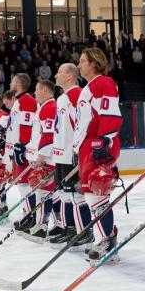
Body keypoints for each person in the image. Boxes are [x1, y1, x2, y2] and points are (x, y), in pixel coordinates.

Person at [73, 47, 123, 265]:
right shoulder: (89, 87)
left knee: (97, 194)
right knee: (92, 197)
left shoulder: (103, 83)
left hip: (97, 145)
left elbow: (110, 114)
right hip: (88, 147)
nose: (79, 65)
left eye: (83, 61)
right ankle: (105, 238)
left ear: (94, 63)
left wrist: (105, 141)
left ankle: (108, 241)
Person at [48, 63, 93, 249]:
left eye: (59, 72)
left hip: (70, 155)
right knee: (63, 194)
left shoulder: (76, 94)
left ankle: (86, 231)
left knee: (75, 196)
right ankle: (70, 229)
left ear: (68, 75)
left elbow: (82, 124)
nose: (56, 75)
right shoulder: (62, 98)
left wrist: (77, 150)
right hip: (60, 155)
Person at [22, 79, 59, 242]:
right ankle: (57, 224)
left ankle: (42, 226)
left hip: (48, 158)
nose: (34, 92)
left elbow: (49, 135)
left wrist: (40, 157)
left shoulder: (50, 107)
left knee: (43, 192)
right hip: (47, 156)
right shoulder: (45, 107)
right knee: (53, 193)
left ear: (45, 90)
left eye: (37, 89)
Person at [3, 73, 38, 233]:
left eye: (12, 80)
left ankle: (32, 216)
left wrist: (22, 146)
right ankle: (28, 213)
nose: (10, 82)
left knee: (26, 184)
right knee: (22, 184)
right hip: (18, 149)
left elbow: (27, 126)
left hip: (23, 150)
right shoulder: (19, 101)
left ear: (18, 83)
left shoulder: (27, 100)